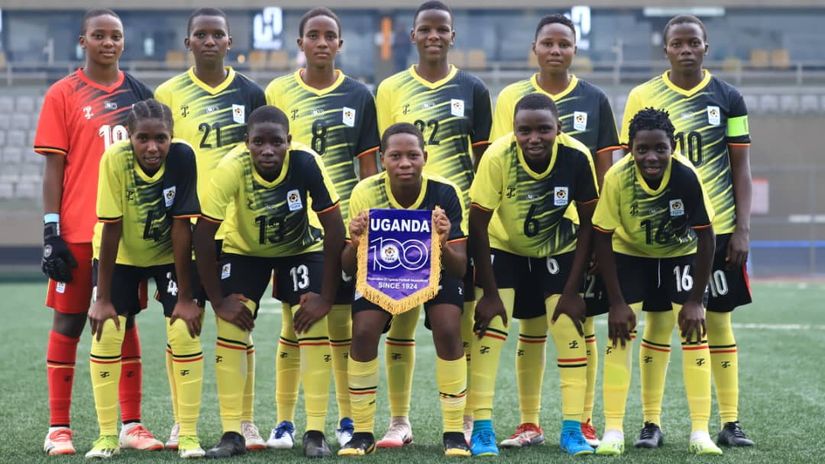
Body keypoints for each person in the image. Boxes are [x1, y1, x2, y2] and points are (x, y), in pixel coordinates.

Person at [619, 15, 754, 448]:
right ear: (666, 49)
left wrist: (742, 229)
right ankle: (651, 424)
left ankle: (730, 423)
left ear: (706, 46)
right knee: (657, 325)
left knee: (719, 324)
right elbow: (630, 163)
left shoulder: (728, 97)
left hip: (716, 232)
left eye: (693, 42)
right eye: (677, 43)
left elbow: (741, 167)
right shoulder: (643, 95)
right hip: (660, 235)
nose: (686, 49)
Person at [489, 13, 620, 449]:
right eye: (548, 43)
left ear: (574, 50)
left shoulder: (595, 98)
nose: (556, 50)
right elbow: (499, 160)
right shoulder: (511, 96)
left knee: (577, 325)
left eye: (564, 43)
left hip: (572, 239)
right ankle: (529, 423)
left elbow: (605, 167)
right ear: (535, 48)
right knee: (529, 326)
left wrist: (604, 233)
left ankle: (581, 421)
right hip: (515, 237)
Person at [35, 8, 159, 456]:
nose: (108, 43)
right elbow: (54, 168)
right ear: (82, 41)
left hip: (124, 235)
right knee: (68, 321)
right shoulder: (62, 94)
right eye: (99, 36)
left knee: (123, 323)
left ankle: (131, 424)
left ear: (124, 42)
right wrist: (52, 231)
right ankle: (58, 428)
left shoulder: (141, 94)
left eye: (116, 36)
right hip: (77, 230)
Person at [193, 105, 345, 458]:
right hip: (245, 250)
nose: (267, 150)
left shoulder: (306, 162)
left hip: (300, 249)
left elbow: (335, 229)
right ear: (246, 142)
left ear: (289, 142)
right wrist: (218, 301)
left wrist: (325, 295)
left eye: (276, 142)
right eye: (258, 142)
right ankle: (232, 433)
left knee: (312, 321)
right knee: (230, 327)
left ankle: (316, 432)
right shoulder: (232, 168)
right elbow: (203, 235)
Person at [374, 1, 492, 446]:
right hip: (398, 225)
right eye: (426, 29)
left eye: (442, 29)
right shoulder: (389, 88)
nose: (434, 36)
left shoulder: (474, 88)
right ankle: (399, 421)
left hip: (452, 223)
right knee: (400, 319)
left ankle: (461, 420)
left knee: (454, 323)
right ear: (413, 35)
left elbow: (482, 160)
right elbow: (381, 154)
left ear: (452, 36)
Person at [264, 6, 380, 450]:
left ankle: (348, 419)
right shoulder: (277, 90)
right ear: (301, 43)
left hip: (344, 226)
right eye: (313, 35)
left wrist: (367, 223)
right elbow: (265, 155)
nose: (322, 42)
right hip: (293, 227)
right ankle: (284, 422)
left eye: (329, 35)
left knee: (340, 322)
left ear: (339, 44)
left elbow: (368, 168)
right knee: (295, 322)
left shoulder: (359, 95)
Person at [154, 7, 267, 452]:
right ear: (188, 43)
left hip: (237, 231)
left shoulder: (251, 92)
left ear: (229, 42)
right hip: (184, 226)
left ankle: (245, 421)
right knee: (180, 323)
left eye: (217, 34)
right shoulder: (167, 92)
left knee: (238, 325)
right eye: (200, 34)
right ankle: (184, 423)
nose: (209, 41)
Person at [468, 93, 597, 457]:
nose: (534, 138)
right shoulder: (497, 156)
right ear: (513, 130)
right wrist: (490, 293)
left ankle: (572, 429)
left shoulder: (576, 157)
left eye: (543, 129)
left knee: (567, 327)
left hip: (556, 250)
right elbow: (477, 225)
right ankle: (482, 429)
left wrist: (572, 291)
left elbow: (588, 224)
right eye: (524, 130)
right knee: (490, 331)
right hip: (504, 248)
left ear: (559, 128)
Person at [593, 107, 721, 456]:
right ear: (630, 149)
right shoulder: (617, 178)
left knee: (695, 333)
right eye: (642, 149)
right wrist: (617, 303)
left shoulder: (686, 176)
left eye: (660, 149)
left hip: (679, 255)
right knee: (620, 337)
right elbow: (602, 236)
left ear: (673, 147)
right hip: (631, 256)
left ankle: (700, 431)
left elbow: (707, 238)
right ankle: (614, 430)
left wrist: (695, 300)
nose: (651, 157)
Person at [337, 122, 470, 457]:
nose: (405, 163)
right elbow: (348, 266)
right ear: (383, 159)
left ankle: (454, 431)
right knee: (364, 330)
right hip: (381, 271)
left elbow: (460, 266)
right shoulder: (366, 192)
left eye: (413, 155)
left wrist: (442, 240)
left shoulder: (445, 192)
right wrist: (354, 242)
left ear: (425, 156)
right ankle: (362, 432)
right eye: (395, 156)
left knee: (449, 326)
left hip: (436, 267)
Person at [85, 99, 204, 459]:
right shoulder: (115, 160)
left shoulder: (183, 157)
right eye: (143, 139)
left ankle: (189, 436)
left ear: (172, 137)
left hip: (169, 254)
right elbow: (111, 228)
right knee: (107, 330)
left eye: (161, 138)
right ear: (130, 137)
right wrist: (102, 298)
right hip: (119, 254)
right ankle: (107, 436)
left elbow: (183, 226)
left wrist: (185, 296)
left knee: (184, 329)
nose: (153, 147)